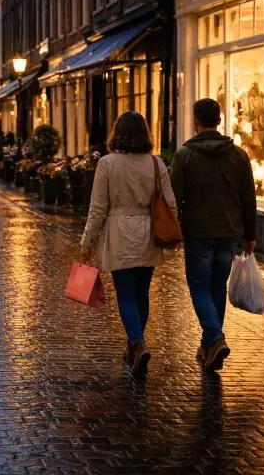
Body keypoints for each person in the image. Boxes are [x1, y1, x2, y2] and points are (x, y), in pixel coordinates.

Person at [80, 112, 176, 376]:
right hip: (148, 233)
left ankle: (136, 342)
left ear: (117, 132)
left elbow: (98, 208)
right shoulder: (156, 164)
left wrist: (87, 240)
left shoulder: (108, 164)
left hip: (120, 233)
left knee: (125, 293)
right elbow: (170, 203)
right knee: (142, 292)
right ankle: (135, 345)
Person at [171, 98, 257, 373]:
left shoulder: (184, 156)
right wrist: (250, 233)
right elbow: (248, 198)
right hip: (229, 232)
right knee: (217, 288)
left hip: (198, 233)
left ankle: (216, 338)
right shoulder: (238, 155)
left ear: (196, 122)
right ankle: (209, 345)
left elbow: (175, 199)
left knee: (199, 287)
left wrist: (174, 229)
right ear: (219, 121)